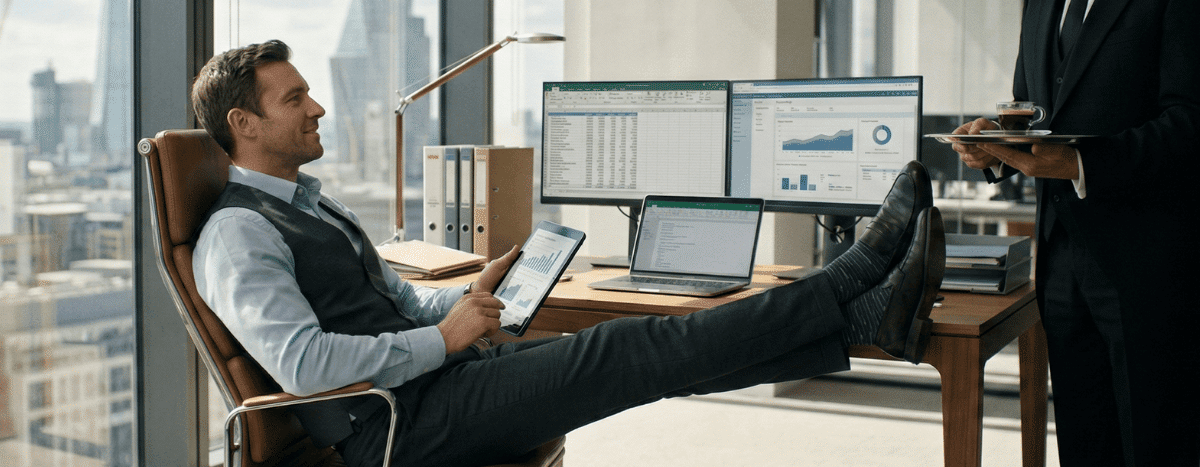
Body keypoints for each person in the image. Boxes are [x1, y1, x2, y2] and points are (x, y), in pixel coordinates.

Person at [190, 39, 944, 467]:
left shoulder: (312, 201)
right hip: (399, 428)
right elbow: (306, 366)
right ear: (243, 124)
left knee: (655, 356)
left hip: (444, 380)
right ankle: (849, 282)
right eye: (295, 98)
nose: (318, 106)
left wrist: (465, 302)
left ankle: (866, 319)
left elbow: (401, 302)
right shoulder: (238, 234)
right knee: (633, 346)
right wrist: (441, 337)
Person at [952, 0, 1200, 466]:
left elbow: (1190, 125)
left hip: (1153, 271)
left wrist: (1079, 162)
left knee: (1158, 446)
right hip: (1059, 267)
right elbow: (1032, 111)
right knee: (1086, 448)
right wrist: (994, 146)